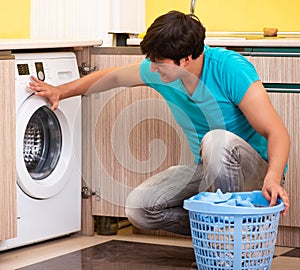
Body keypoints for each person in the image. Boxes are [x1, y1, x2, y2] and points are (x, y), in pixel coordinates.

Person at [29, 10, 290, 236]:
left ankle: (225, 240)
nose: (152, 70)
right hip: (209, 171)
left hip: (257, 174)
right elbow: (113, 78)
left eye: (159, 63)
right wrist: (60, 91)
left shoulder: (229, 69)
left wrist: (274, 179)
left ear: (186, 59)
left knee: (215, 140)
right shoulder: (163, 71)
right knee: (140, 209)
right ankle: (229, 230)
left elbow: (277, 133)